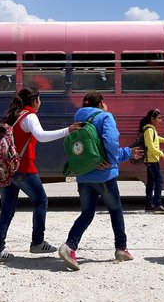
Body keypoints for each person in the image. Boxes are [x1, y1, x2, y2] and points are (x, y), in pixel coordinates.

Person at [0, 87, 82, 263]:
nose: (41, 103)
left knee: (7, 210)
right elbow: (41, 136)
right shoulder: (29, 116)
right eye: (40, 99)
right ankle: (37, 242)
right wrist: (67, 130)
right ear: (34, 101)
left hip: (8, 169)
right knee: (41, 201)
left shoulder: (14, 116)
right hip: (24, 169)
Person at [58, 92, 143, 271]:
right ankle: (121, 249)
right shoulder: (105, 117)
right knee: (115, 210)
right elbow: (111, 143)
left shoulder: (78, 119)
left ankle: (69, 246)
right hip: (103, 176)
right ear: (102, 103)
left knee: (87, 213)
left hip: (83, 174)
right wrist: (114, 159)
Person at [138, 109, 164, 212]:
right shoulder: (149, 130)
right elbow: (150, 146)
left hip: (151, 159)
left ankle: (149, 205)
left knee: (151, 182)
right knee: (159, 181)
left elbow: (156, 138)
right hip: (151, 160)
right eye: (158, 118)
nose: (160, 120)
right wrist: (160, 153)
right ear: (152, 119)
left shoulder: (151, 130)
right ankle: (157, 204)